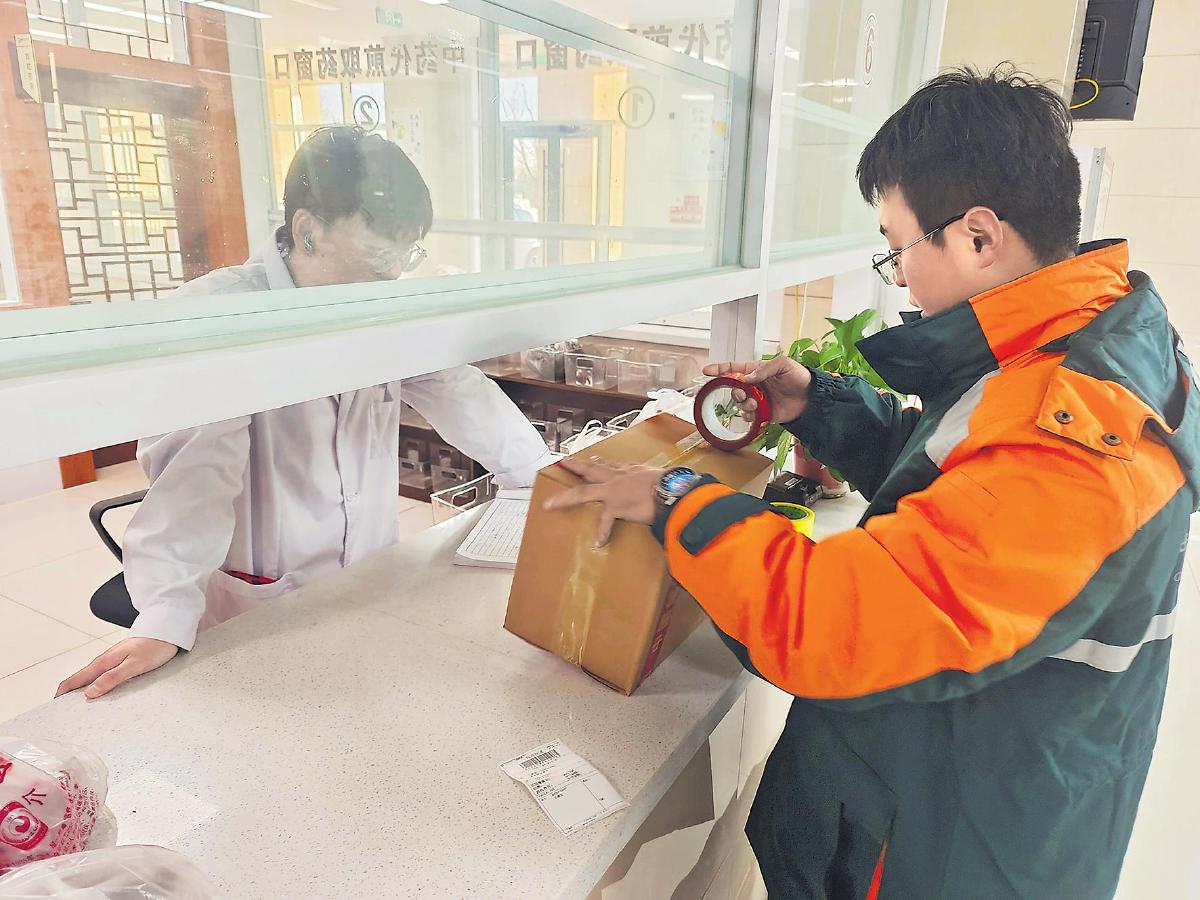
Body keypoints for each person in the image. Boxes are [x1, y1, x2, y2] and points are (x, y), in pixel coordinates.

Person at [546, 67, 1199, 898]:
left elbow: (830, 626)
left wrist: (676, 500)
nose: (900, 276)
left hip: (954, 847)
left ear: (978, 236)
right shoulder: (1073, 346)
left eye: (897, 248)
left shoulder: (1072, 440)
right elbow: (964, 489)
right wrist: (816, 406)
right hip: (963, 787)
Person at [58, 126, 553, 700]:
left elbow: (457, 389)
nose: (393, 272)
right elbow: (194, 480)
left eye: (406, 254)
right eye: (379, 253)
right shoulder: (220, 316)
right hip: (262, 599)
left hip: (370, 576)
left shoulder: (375, 298)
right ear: (307, 231)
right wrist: (164, 616)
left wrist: (542, 474)